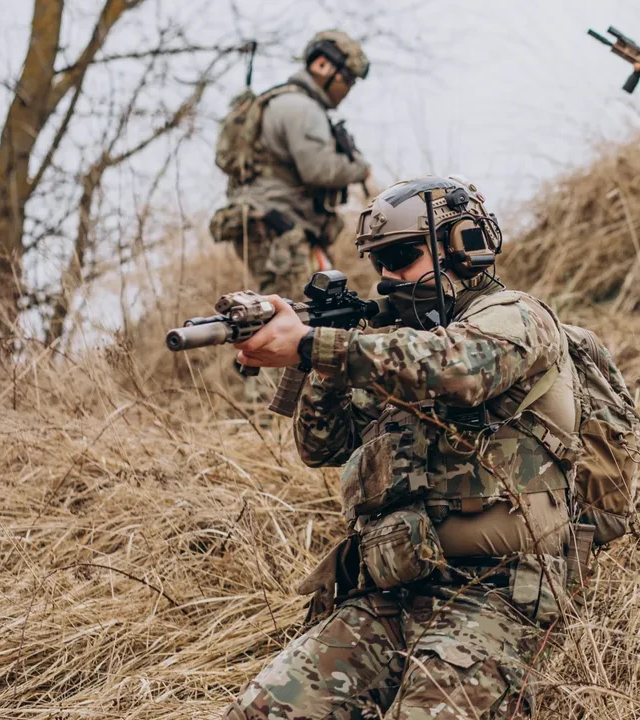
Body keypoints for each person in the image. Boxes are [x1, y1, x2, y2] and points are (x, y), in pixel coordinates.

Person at [220, 176, 584, 719]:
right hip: (390, 594)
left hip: (501, 592)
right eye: (379, 262)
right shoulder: (385, 347)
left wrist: (318, 344)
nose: (389, 276)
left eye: (402, 256)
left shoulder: (516, 316)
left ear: (464, 244)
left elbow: (459, 368)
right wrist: (316, 360)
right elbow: (322, 446)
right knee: (264, 712)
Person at [211, 30, 374, 301]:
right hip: (280, 226)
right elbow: (319, 169)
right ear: (322, 65)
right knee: (299, 316)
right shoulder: (302, 107)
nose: (347, 88)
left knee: (301, 311)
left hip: (270, 222)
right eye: (347, 79)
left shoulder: (282, 101)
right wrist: (360, 168)